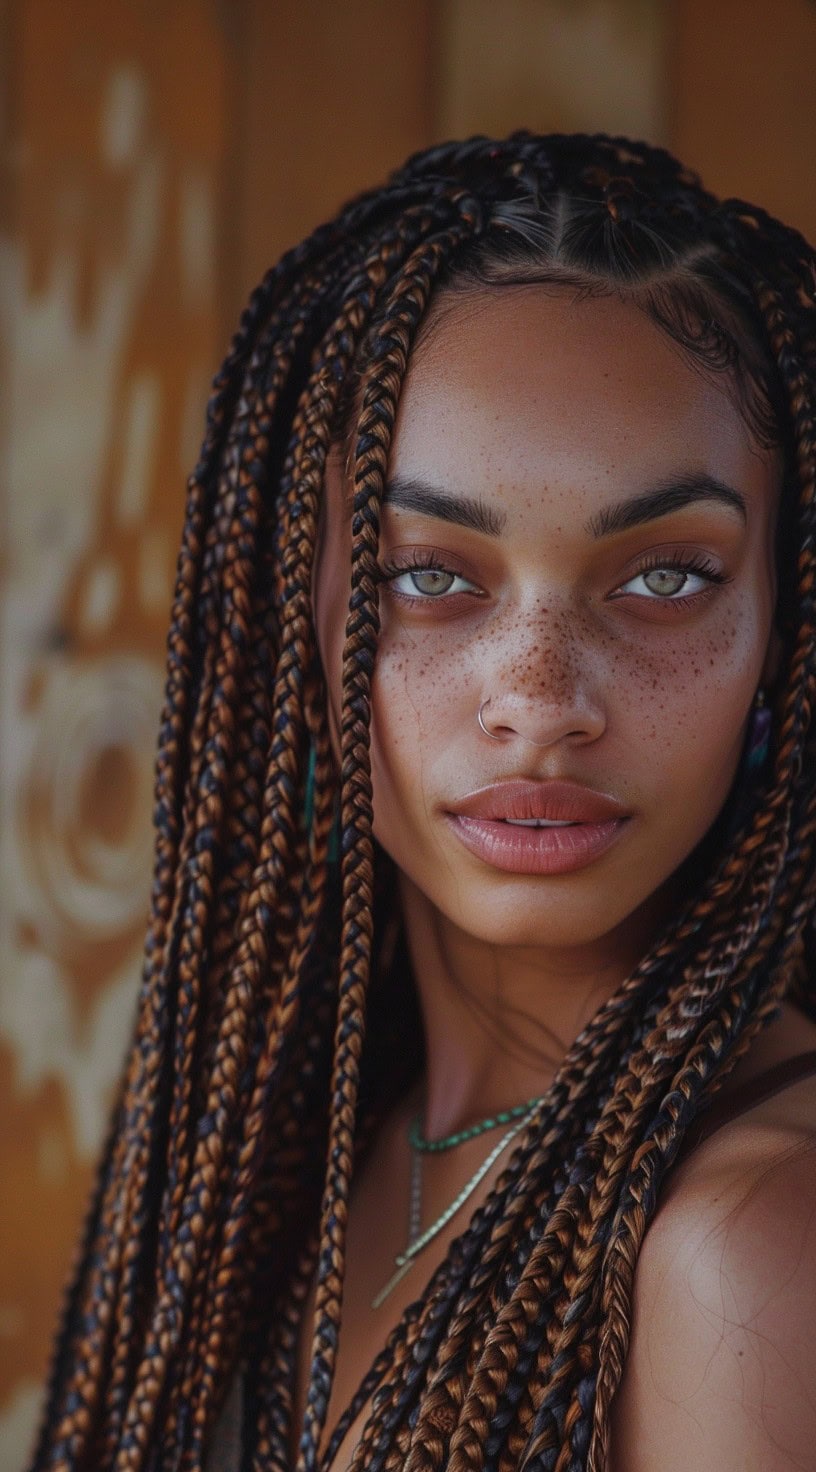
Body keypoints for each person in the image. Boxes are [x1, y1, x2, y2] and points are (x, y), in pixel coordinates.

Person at [29, 132, 816, 1472]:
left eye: (669, 576)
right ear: (301, 604)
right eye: (425, 573)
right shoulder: (281, 1164)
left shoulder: (747, 1246)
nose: (541, 698)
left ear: (784, 636)